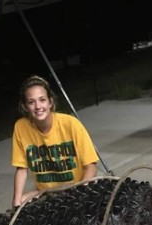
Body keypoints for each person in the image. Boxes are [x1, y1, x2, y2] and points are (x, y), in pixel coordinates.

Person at [11, 75, 99, 207]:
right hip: (47, 192)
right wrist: (16, 203)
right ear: (25, 106)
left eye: (42, 100)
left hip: (76, 187)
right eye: (31, 102)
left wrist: (81, 192)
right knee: (22, 200)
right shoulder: (20, 127)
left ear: (50, 102)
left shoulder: (71, 124)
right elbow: (22, 169)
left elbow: (91, 166)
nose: (38, 106)